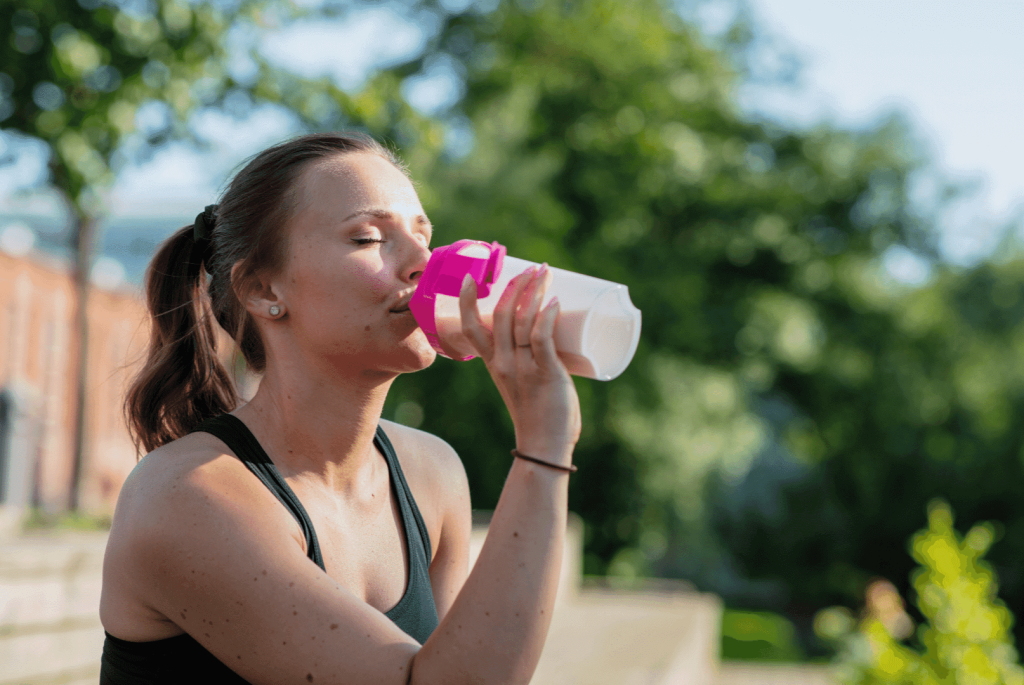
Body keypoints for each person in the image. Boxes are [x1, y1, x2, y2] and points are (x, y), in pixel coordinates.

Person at [99, 133, 581, 684]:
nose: (424, 263)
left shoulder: (433, 473)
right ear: (263, 290)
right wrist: (544, 446)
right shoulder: (186, 495)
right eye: (369, 238)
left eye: (425, 237)